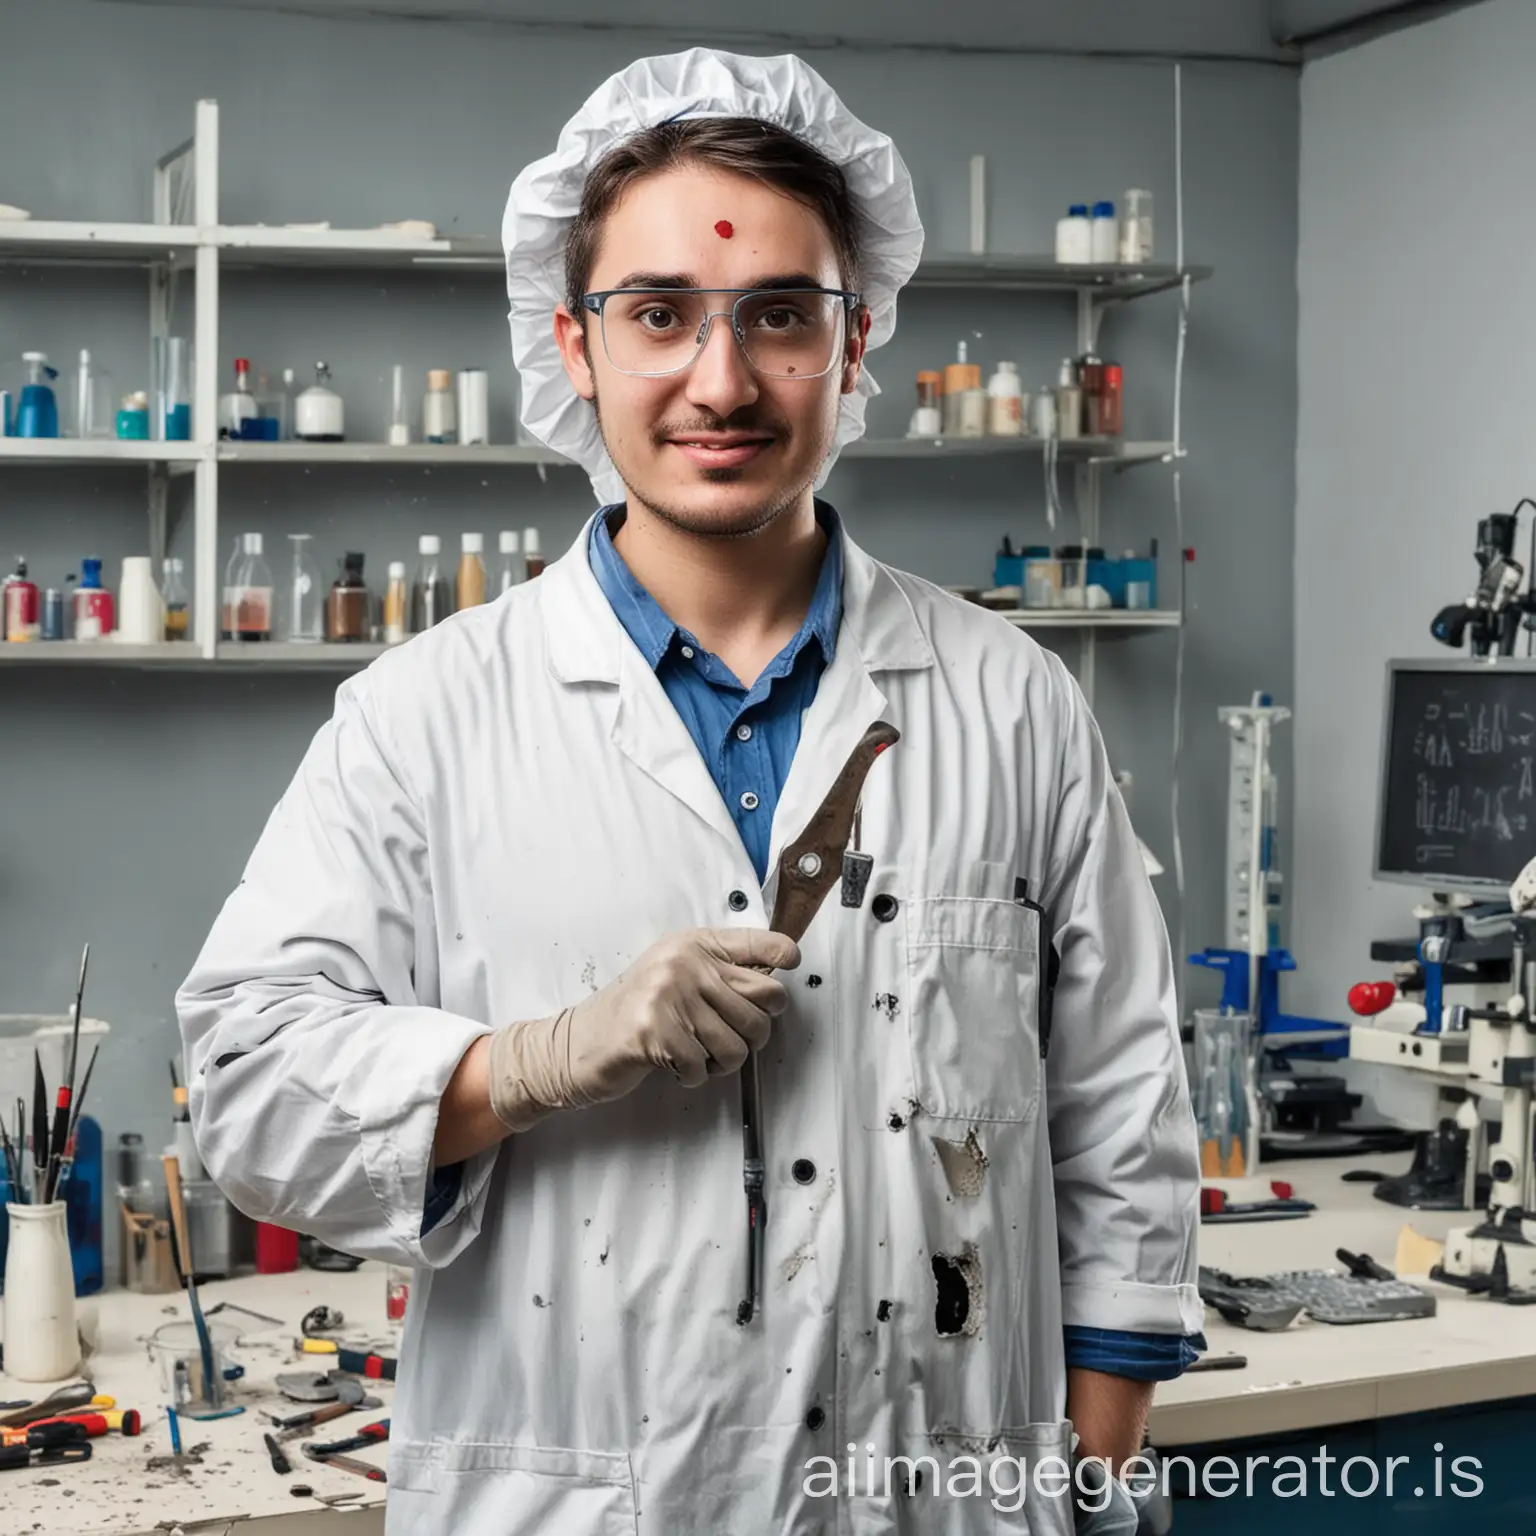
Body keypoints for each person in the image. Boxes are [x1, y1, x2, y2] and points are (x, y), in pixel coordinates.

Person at [178, 48, 1201, 1536]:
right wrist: (533, 1061)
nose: (720, 382)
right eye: (658, 314)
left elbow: (1118, 1111)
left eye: (780, 316)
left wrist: (1091, 1467)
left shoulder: (1009, 703)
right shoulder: (423, 718)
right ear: (574, 345)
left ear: (856, 348)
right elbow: (246, 1094)